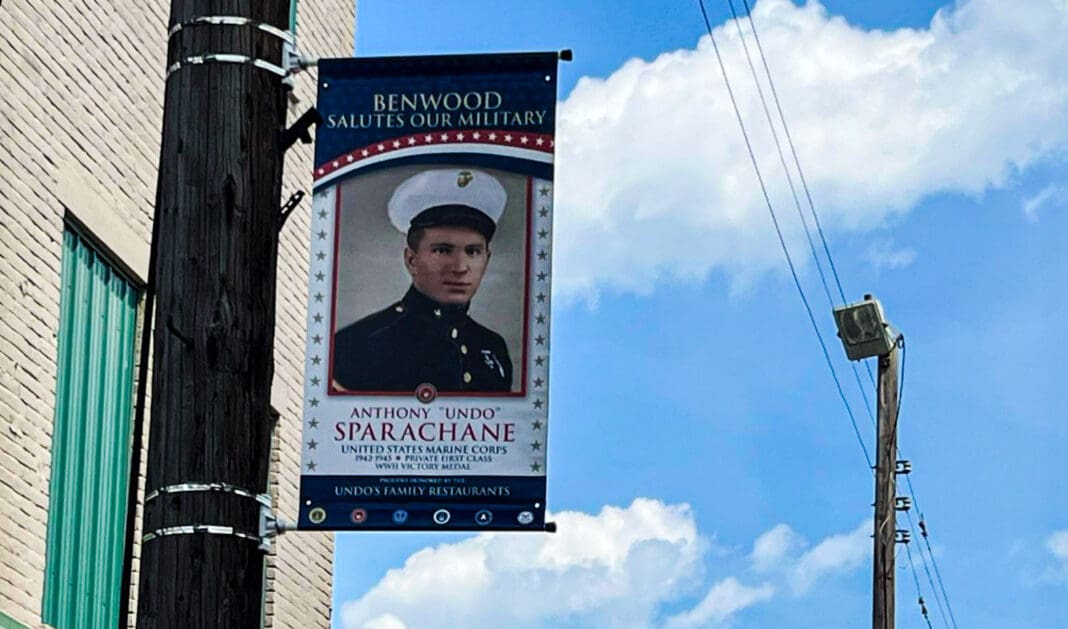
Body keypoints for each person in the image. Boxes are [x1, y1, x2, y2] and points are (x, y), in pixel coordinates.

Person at [332, 168, 513, 394]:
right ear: (411, 259)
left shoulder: (493, 347)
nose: (459, 268)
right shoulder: (359, 343)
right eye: (442, 250)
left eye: (473, 251)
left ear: (487, 259)